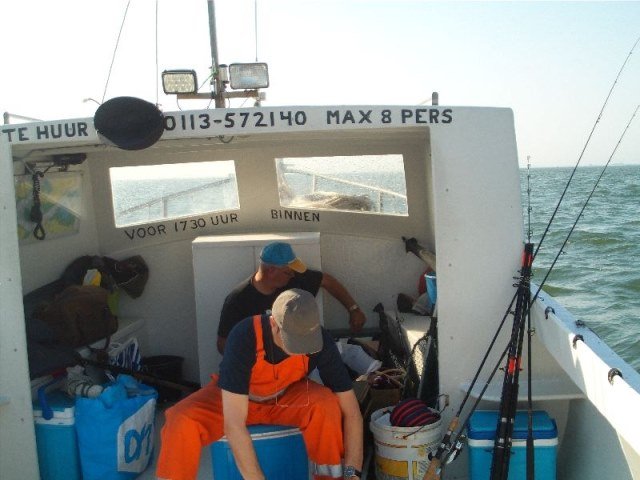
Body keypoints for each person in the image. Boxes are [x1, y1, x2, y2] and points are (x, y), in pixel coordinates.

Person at [156, 289, 364, 480]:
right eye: (293, 341)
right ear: (273, 323)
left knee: (327, 405)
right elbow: (234, 423)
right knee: (179, 419)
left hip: (286, 397)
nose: (302, 349)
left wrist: (352, 472)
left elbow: (351, 411)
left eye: (306, 342)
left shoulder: (322, 341)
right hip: (235, 399)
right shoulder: (244, 336)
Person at [217, 241, 367, 354]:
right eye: (288, 272)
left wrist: (353, 309)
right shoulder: (238, 301)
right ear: (271, 271)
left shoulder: (293, 280)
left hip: (303, 350)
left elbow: (326, 281)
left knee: (353, 353)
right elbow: (223, 345)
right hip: (269, 363)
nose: (293, 275)